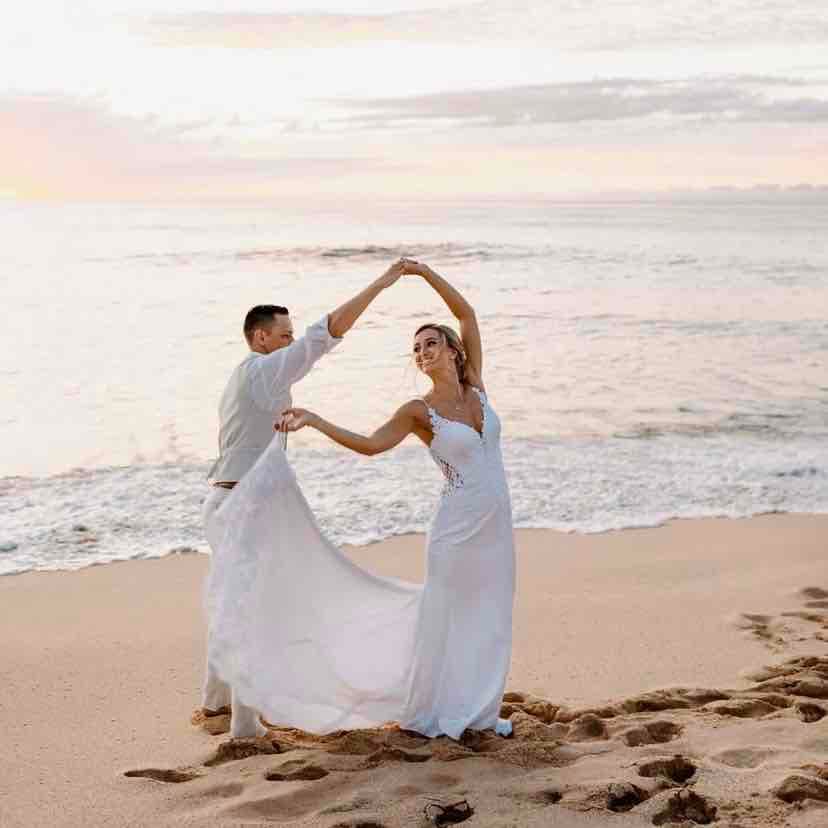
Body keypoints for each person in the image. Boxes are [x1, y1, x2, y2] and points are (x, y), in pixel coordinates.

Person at [206, 259, 515, 739]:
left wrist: (424, 274)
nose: (422, 352)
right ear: (261, 338)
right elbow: (370, 443)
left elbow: (468, 316)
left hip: (497, 526)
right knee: (447, 617)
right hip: (455, 528)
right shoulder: (418, 410)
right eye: (415, 348)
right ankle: (243, 720)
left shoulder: (478, 388)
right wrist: (318, 421)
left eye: (431, 343)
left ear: (454, 352)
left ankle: (480, 708)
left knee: (492, 616)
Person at [202, 259, 408, 738]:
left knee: (233, 600)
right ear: (260, 339)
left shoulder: (248, 378)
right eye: (284, 336)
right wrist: (379, 284)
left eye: (290, 336)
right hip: (241, 505)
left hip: (225, 500)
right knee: (254, 607)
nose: (291, 343)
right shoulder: (262, 374)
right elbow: (325, 335)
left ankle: (215, 700)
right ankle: (244, 725)